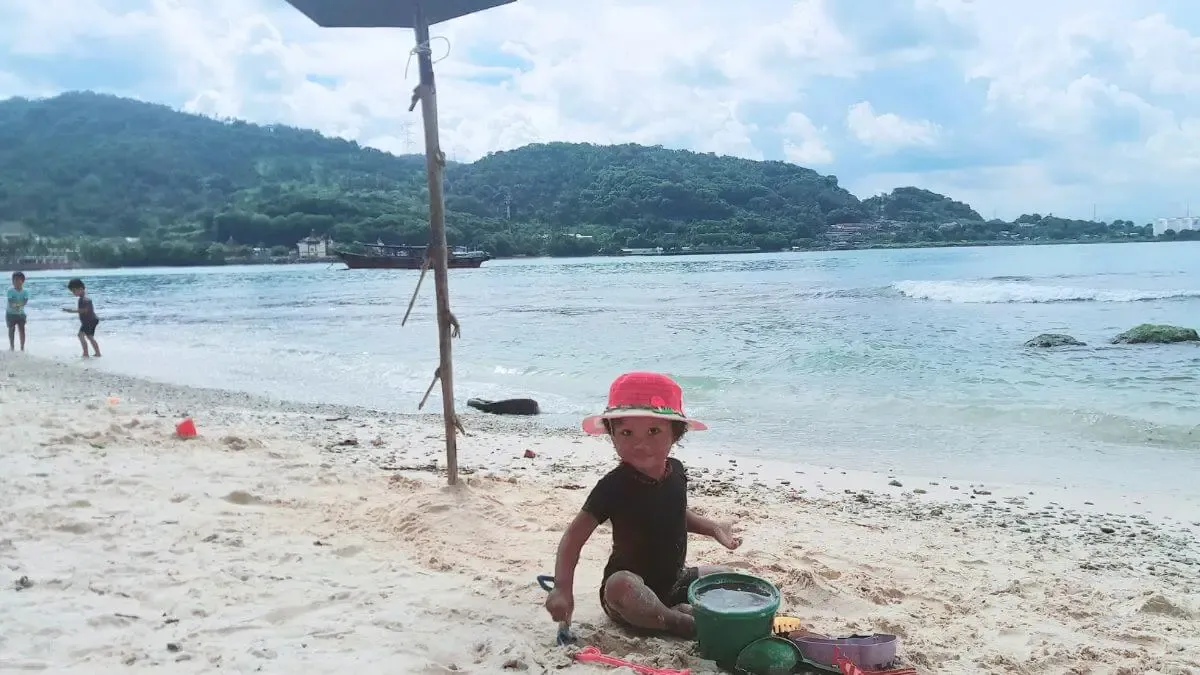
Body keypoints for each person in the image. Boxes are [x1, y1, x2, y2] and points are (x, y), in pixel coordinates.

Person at [544, 371, 742, 639]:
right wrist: (562, 589)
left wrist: (712, 527)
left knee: (728, 577)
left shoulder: (677, 471)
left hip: (673, 581)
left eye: (653, 431)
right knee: (620, 586)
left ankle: (675, 610)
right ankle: (680, 623)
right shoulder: (613, 486)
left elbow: (674, 514)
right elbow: (573, 538)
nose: (640, 443)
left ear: (676, 434)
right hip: (629, 593)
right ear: (612, 436)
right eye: (626, 432)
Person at [63, 278, 101, 358]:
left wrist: (71, 311)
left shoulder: (86, 300)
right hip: (89, 321)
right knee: (89, 337)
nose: (73, 293)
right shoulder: (81, 299)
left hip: (90, 321)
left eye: (74, 291)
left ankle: (87, 353)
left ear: (80, 289)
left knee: (82, 336)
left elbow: (85, 310)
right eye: (72, 291)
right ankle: (95, 353)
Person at [6, 271, 29, 351]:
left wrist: (18, 305)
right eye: (14, 280)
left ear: (22, 281)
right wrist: (18, 304)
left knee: (22, 330)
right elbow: (10, 301)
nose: (16, 282)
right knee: (11, 329)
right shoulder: (10, 290)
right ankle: (12, 346)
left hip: (21, 314)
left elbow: (25, 301)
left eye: (18, 280)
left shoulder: (25, 291)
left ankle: (22, 347)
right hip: (10, 314)